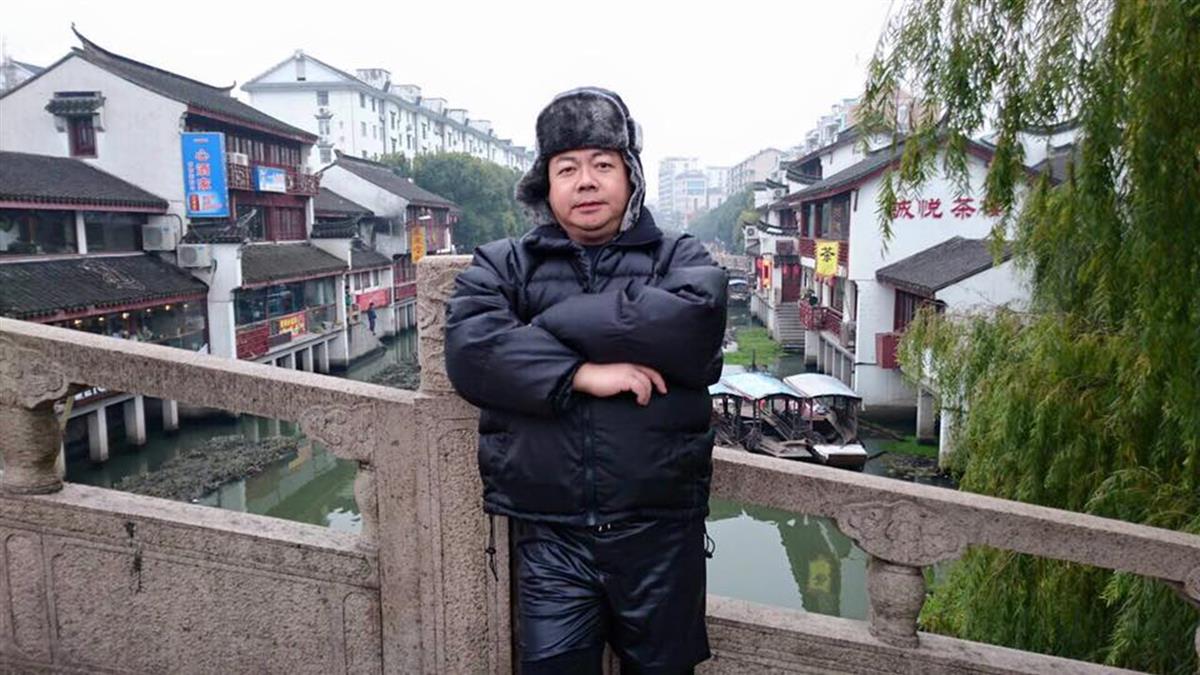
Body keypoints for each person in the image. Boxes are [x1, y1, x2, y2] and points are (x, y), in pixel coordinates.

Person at [445, 87, 727, 675]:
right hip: (551, 536)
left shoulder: (679, 256)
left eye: (603, 164)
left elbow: (692, 330)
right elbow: (472, 351)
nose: (586, 182)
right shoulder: (504, 263)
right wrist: (581, 374)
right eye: (567, 168)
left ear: (631, 176)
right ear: (545, 185)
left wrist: (546, 325)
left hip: (662, 532)